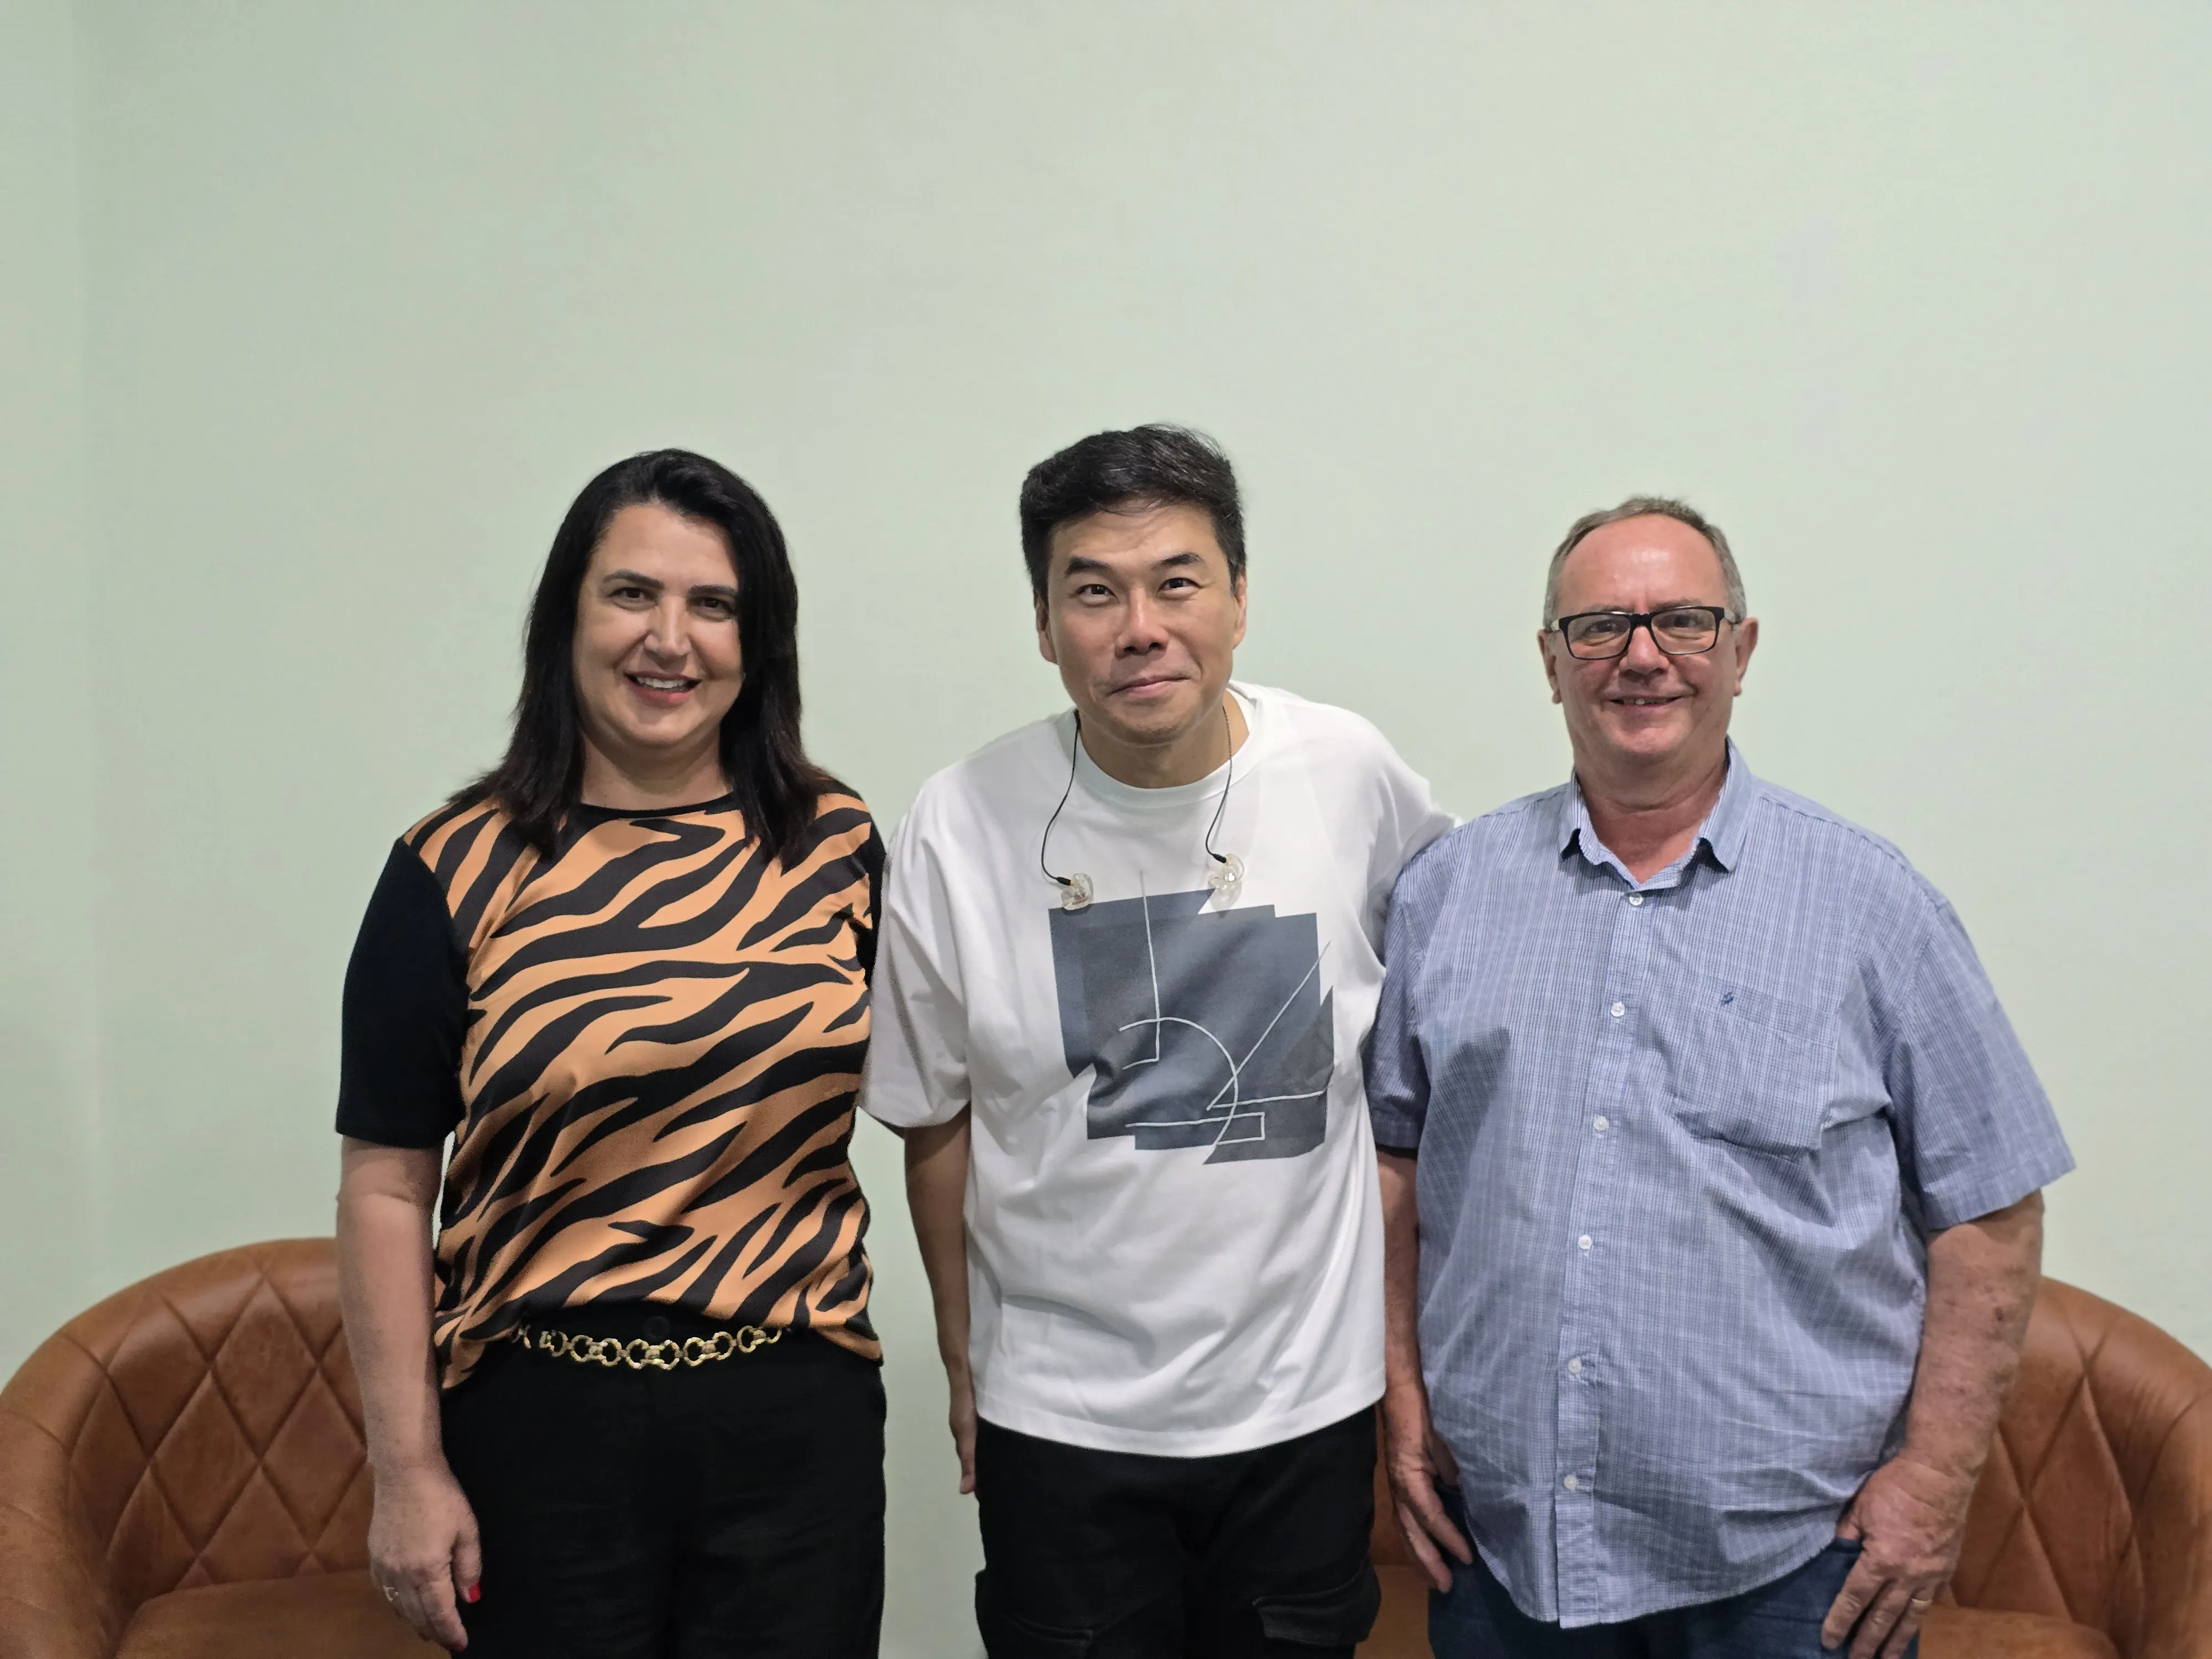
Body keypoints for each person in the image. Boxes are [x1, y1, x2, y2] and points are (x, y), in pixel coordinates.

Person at [1368, 497, 2074, 1659]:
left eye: (1683, 622)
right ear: (1550, 662)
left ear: (1740, 652)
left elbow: (1990, 1208)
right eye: (1600, 626)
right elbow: (1393, 1162)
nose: (1642, 656)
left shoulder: (1871, 906)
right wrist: (1402, 1398)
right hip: (1504, 1550)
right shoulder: (1447, 893)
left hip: (1794, 1571)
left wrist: (1934, 1485)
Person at [863, 424, 1454, 1658]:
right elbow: (934, 1119)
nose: (1141, 628)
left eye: (1176, 582)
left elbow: (1441, 1023)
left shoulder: (1348, 775)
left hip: (1303, 1409)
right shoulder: (959, 823)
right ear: (1043, 625)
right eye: (1094, 592)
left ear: (1238, 598)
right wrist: (966, 1365)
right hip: (1060, 1422)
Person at [333, 449, 887, 1658]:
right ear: (567, 619)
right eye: (632, 593)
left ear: (758, 640)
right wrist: (405, 1470)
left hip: (794, 1422)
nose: (669, 640)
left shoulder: (836, 843)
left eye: (713, 604)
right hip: (539, 1429)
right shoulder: (452, 865)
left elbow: (942, 1100)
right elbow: (386, 1186)